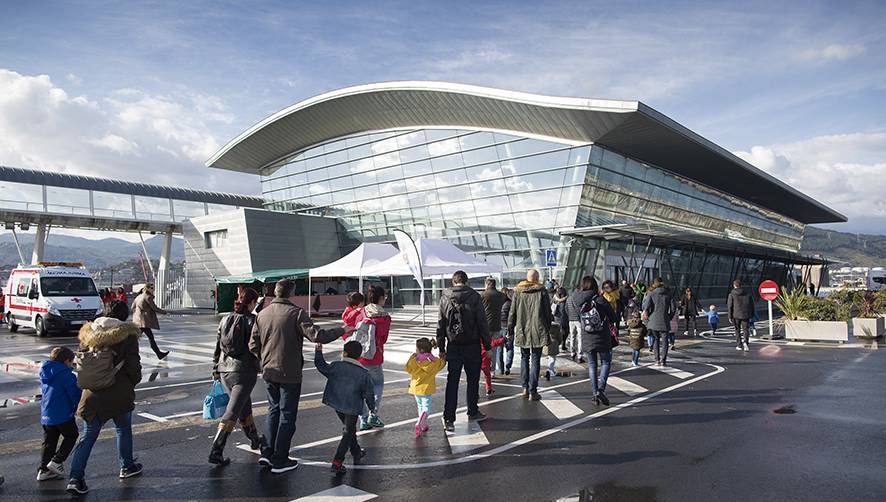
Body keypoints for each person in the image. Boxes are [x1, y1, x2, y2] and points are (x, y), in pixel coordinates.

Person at [249, 279, 353, 474]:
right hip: (289, 371)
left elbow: (253, 345)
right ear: (291, 294)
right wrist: (342, 330)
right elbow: (317, 335)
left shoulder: (262, 314)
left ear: (276, 292)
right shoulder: (296, 313)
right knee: (287, 416)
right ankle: (280, 459)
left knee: (273, 411)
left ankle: (266, 452)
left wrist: (263, 359)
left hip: (268, 370)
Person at [66, 300, 142, 496]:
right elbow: (133, 366)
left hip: (92, 393)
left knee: (88, 435)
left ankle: (75, 477)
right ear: (124, 316)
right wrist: (133, 381)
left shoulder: (88, 334)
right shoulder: (127, 335)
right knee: (123, 429)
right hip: (119, 392)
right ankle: (126, 466)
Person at [209, 287, 263, 466]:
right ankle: (216, 449)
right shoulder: (253, 321)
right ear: (253, 303)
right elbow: (256, 346)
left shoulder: (225, 319)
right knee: (232, 411)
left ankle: (255, 439)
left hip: (225, 370)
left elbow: (217, 345)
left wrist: (216, 368)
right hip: (244, 371)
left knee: (243, 406)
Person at [437, 270, 491, 432]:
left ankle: (449, 418)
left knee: (452, 382)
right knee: (473, 380)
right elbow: (482, 323)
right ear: (466, 282)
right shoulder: (474, 296)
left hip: (453, 345)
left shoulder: (445, 297)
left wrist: (441, 347)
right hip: (472, 345)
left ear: (454, 282)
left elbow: (441, 324)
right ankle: (473, 411)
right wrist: (487, 346)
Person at [314, 340, 374, 475]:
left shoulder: (336, 366)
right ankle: (337, 461)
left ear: (344, 353)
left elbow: (321, 366)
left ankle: (356, 451)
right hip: (352, 406)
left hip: (336, 402)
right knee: (348, 431)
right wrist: (372, 409)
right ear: (359, 356)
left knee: (349, 429)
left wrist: (318, 352)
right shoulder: (364, 374)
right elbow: (369, 394)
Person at [344, 285, 391, 431]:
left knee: (360, 389)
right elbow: (383, 339)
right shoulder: (385, 317)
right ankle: (373, 415)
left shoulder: (361, 312)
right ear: (381, 299)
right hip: (375, 357)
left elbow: (349, 327)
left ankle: (363, 419)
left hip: (359, 357)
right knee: (377, 386)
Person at [38, 347, 81, 481]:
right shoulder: (66, 375)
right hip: (62, 413)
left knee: (49, 442)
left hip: (47, 414)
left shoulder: (45, 372)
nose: (72, 365)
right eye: (71, 362)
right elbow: (74, 394)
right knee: (72, 435)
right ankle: (57, 461)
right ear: (66, 361)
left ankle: (43, 470)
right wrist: (78, 407)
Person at [509, 269, 553, 401]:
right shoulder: (542, 291)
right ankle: (533, 391)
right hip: (538, 329)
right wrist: (547, 328)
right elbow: (547, 312)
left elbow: (512, 313)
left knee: (524, 358)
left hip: (522, 330)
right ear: (537, 278)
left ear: (527, 278)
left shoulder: (518, 291)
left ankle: (524, 388)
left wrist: (510, 330)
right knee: (535, 359)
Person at [579, 277, 617, 405]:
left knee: (592, 365)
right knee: (606, 362)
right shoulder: (600, 300)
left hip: (587, 337)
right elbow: (613, 317)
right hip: (602, 337)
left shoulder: (578, 299)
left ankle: (595, 393)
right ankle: (601, 389)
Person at [405, 338, 446, 437]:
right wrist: (442, 358)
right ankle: (420, 423)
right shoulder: (433, 362)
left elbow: (408, 369)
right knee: (426, 408)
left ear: (421, 350)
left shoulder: (414, 361)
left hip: (415, 387)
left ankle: (422, 424)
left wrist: (411, 358)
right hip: (427, 388)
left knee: (420, 406)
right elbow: (442, 364)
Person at [642, 277, 676, 366]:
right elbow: (673, 308)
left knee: (655, 340)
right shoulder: (669, 294)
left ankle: (657, 359)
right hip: (664, 319)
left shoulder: (651, 293)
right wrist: (669, 317)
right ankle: (663, 360)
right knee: (665, 341)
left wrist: (648, 315)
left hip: (653, 320)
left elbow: (645, 307)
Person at [132, 283, 169, 360]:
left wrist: (138, 313)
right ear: (147, 288)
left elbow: (133, 307)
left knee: (137, 337)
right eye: (151, 288)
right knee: (148, 338)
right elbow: (154, 308)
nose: (153, 289)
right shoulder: (148, 297)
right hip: (143, 321)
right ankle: (159, 354)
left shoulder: (139, 296)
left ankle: (159, 354)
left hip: (138, 319)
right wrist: (164, 312)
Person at [479, 278, 507, 377]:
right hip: (496, 326)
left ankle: (484, 367)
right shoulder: (501, 295)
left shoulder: (482, 295)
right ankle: (492, 370)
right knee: (493, 349)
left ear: (487, 284)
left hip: (484, 326)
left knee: (483, 348)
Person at [566, 277, 596, 363]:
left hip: (570, 320)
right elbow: (581, 309)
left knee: (572, 336)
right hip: (578, 320)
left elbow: (566, 309)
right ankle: (580, 355)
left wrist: (569, 316)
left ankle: (572, 353)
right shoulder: (579, 298)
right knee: (580, 338)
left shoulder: (569, 299)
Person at [728, 280, 755, 351]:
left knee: (737, 330)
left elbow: (730, 306)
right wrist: (752, 314)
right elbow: (752, 305)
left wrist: (729, 316)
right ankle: (746, 342)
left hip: (736, 315)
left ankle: (739, 345)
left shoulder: (731, 294)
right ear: (740, 285)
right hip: (745, 314)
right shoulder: (747, 294)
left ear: (734, 285)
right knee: (746, 329)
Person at [498, 287, 514, 375]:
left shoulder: (497, 303)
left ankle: (501, 369)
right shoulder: (510, 303)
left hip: (498, 327)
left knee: (499, 349)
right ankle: (508, 365)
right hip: (508, 326)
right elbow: (512, 316)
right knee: (509, 348)